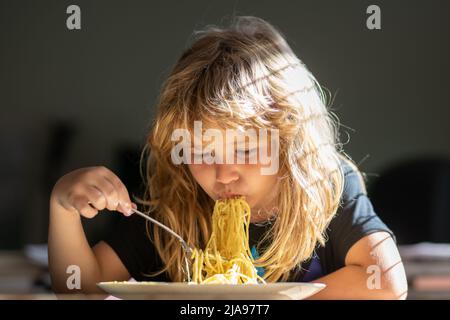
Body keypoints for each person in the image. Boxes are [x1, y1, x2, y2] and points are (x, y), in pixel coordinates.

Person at [48, 16, 407, 299]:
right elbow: (83, 290)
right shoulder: (175, 204)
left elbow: (386, 284)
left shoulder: (324, 188)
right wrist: (63, 208)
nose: (223, 174)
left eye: (246, 150)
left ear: (289, 142)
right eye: (202, 153)